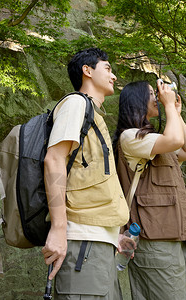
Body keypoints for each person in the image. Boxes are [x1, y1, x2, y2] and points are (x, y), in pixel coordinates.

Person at [41, 48, 129, 299]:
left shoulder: (93, 114)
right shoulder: (76, 103)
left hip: (99, 246)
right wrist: (58, 228)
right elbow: (54, 159)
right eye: (108, 68)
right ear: (87, 71)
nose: (113, 76)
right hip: (83, 244)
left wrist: (116, 236)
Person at [113, 80, 186, 299]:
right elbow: (175, 140)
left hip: (175, 238)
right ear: (137, 101)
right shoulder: (130, 137)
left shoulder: (155, 142)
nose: (157, 97)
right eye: (151, 93)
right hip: (153, 242)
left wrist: (177, 114)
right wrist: (169, 107)